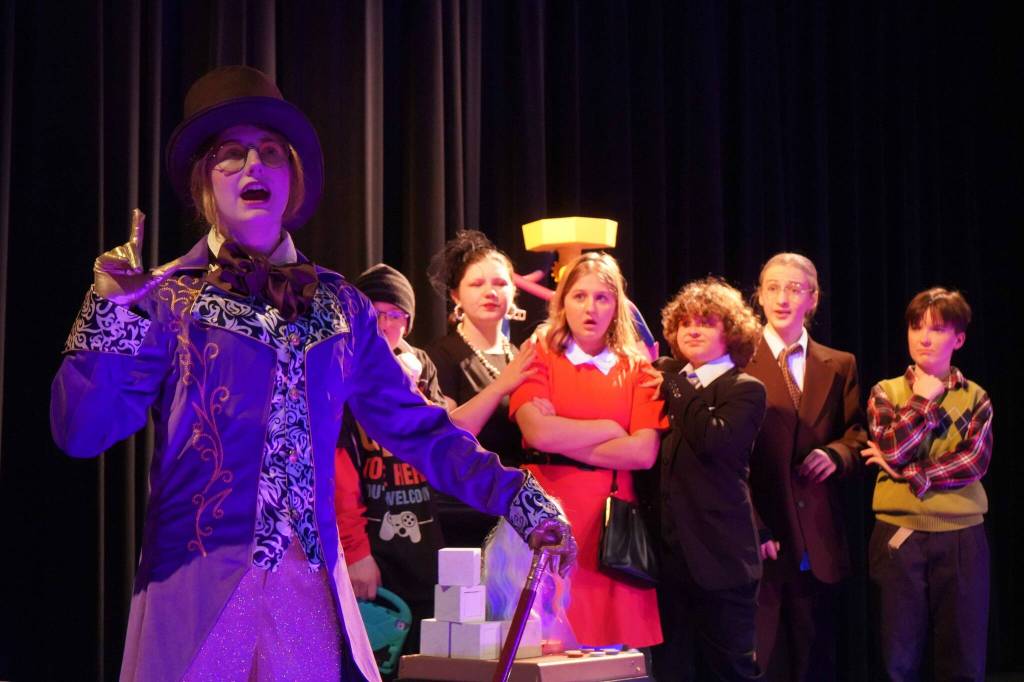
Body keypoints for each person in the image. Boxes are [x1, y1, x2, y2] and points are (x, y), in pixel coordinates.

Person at [49, 65, 573, 682]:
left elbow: (418, 430)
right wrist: (108, 311)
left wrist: (517, 495)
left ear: (292, 177)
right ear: (203, 185)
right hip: (193, 590)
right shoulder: (167, 300)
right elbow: (81, 432)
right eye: (230, 155)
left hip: (306, 593)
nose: (253, 167)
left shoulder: (340, 307)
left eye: (270, 152)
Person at [334, 263, 538, 668]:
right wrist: (356, 551)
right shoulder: (341, 372)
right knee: (373, 657)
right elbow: (340, 472)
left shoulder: (422, 367)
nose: (385, 324)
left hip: (424, 544)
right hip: (372, 546)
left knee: (427, 656)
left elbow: (446, 435)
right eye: (374, 315)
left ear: (407, 323)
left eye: (395, 315)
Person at [509, 252, 664, 649]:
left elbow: (643, 452)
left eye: (602, 298)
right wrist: (610, 430)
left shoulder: (639, 369)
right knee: (547, 646)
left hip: (609, 524)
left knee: (611, 652)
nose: (590, 308)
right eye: (579, 296)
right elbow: (537, 433)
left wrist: (568, 440)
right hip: (547, 513)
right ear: (562, 302)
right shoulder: (539, 354)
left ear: (617, 306)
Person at [743, 252, 867, 680]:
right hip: (763, 533)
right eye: (773, 287)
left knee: (815, 657)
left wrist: (836, 454)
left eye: (795, 289)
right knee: (765, 657)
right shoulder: (739, 358)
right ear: (758, 296)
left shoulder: (839, 364)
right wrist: (755, 524)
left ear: (812, 299)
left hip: (819, 533)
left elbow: (857, 434)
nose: (782, 298)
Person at [862, 287, 992, 681]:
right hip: (900, 535)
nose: (923, 337)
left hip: (962, 535)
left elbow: (972, 463)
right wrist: (922, 402)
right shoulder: (887, 392)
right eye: (916, 327)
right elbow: (894, 448)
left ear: (959, 339)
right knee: (897, 654)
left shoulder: (976, 397)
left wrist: (908, 474)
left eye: (936, 329)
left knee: (962, 654)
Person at [652, 277, 766, 681]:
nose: (693, 330)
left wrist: (676, 382)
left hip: (722, 562)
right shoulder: (668, 383)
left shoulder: (745, 388)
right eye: (685, 323)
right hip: (671, 562)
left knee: (730, 671)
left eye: (706, 322)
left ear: (730, 332)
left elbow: (712, 439)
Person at [426, 230, 533, 548]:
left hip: (514, 507)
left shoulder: (519, 354)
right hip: (463, 507)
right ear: (456, 296)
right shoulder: (440, 355)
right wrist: (503, 385)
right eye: (477, 284)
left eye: (500, 283)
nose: (490, 292)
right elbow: (450, 433)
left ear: (513, 291)